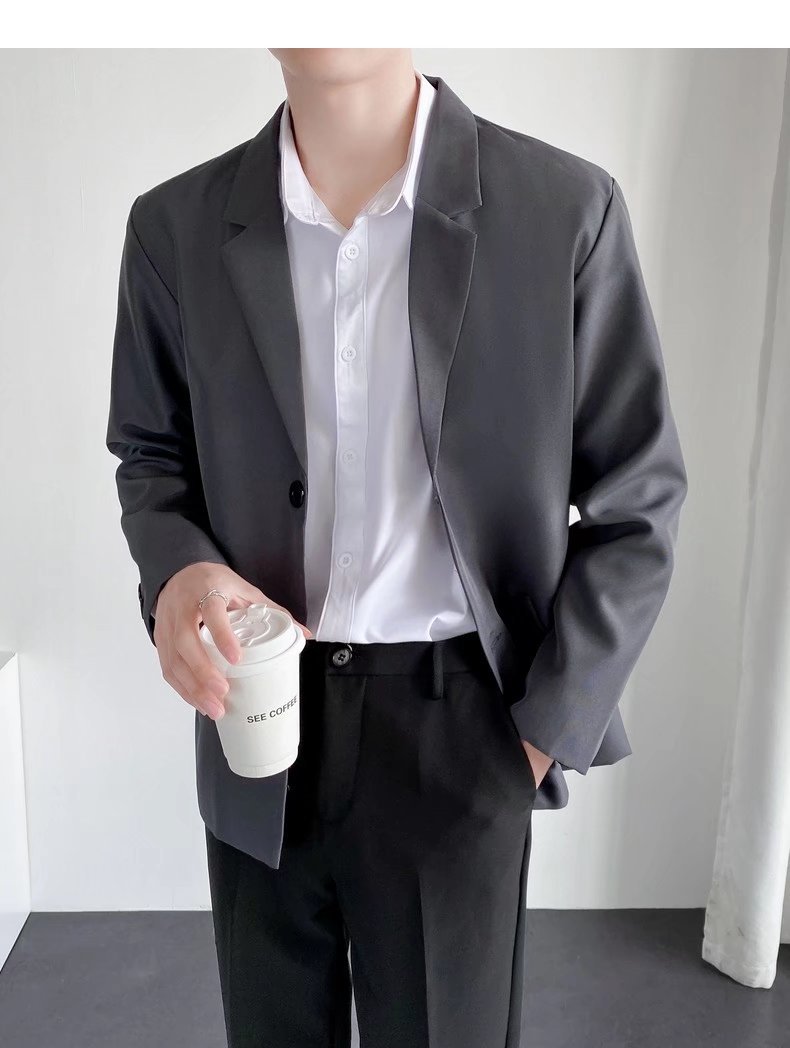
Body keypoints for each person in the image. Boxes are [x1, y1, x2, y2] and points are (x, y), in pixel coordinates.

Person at [106, 48, 688, 1048]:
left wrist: (536, 735)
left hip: (461, 727)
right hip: (256, 715)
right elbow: (151, 455)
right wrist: (178, 572)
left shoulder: (563, 211)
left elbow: (639, 497)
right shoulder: (173, 229)